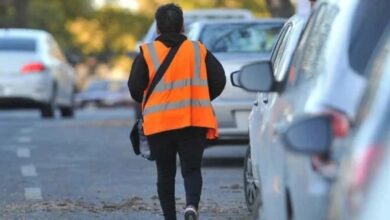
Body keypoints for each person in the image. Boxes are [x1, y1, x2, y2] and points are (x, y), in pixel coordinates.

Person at [128, 3, 226, 220]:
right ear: (182, 26)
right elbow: (219, 80)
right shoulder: (197, 49)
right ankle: (191, 206)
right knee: (192, 170)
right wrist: (198, 97)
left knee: (165, 172)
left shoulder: (147, 53)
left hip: (159, 124)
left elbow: (135, 88)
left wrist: (150, 100)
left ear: (158, 28)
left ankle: (170, 217)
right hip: (193, 120)